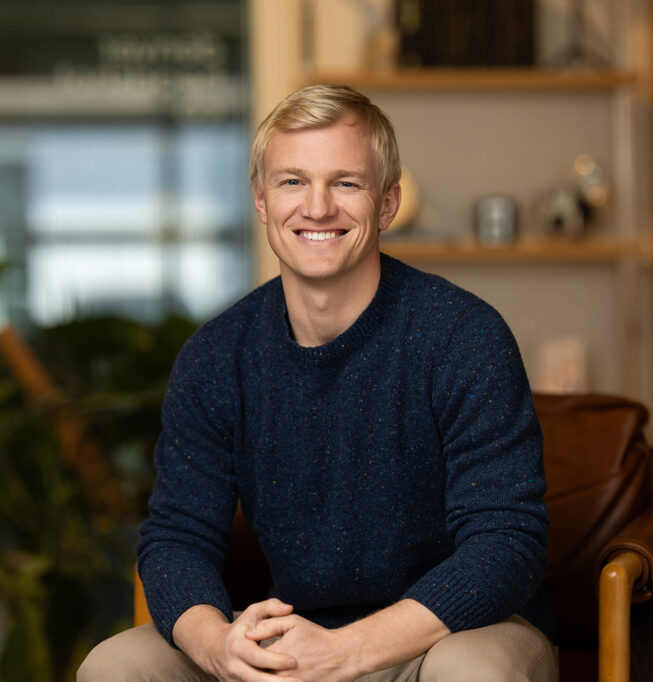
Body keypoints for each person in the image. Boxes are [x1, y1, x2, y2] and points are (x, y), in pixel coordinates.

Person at [79, 84, 557, 682]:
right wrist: (220, 645)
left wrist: (351, 650)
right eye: (292, 181)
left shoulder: (463, 336)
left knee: (474, 672)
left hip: (442, 637)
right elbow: (177, 538)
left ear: (387, 204)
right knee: (117, 665)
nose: (318, 207)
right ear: (261, 201)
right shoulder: (216, 357)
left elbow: (505, 545)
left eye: (346, 183)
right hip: (295, 640)